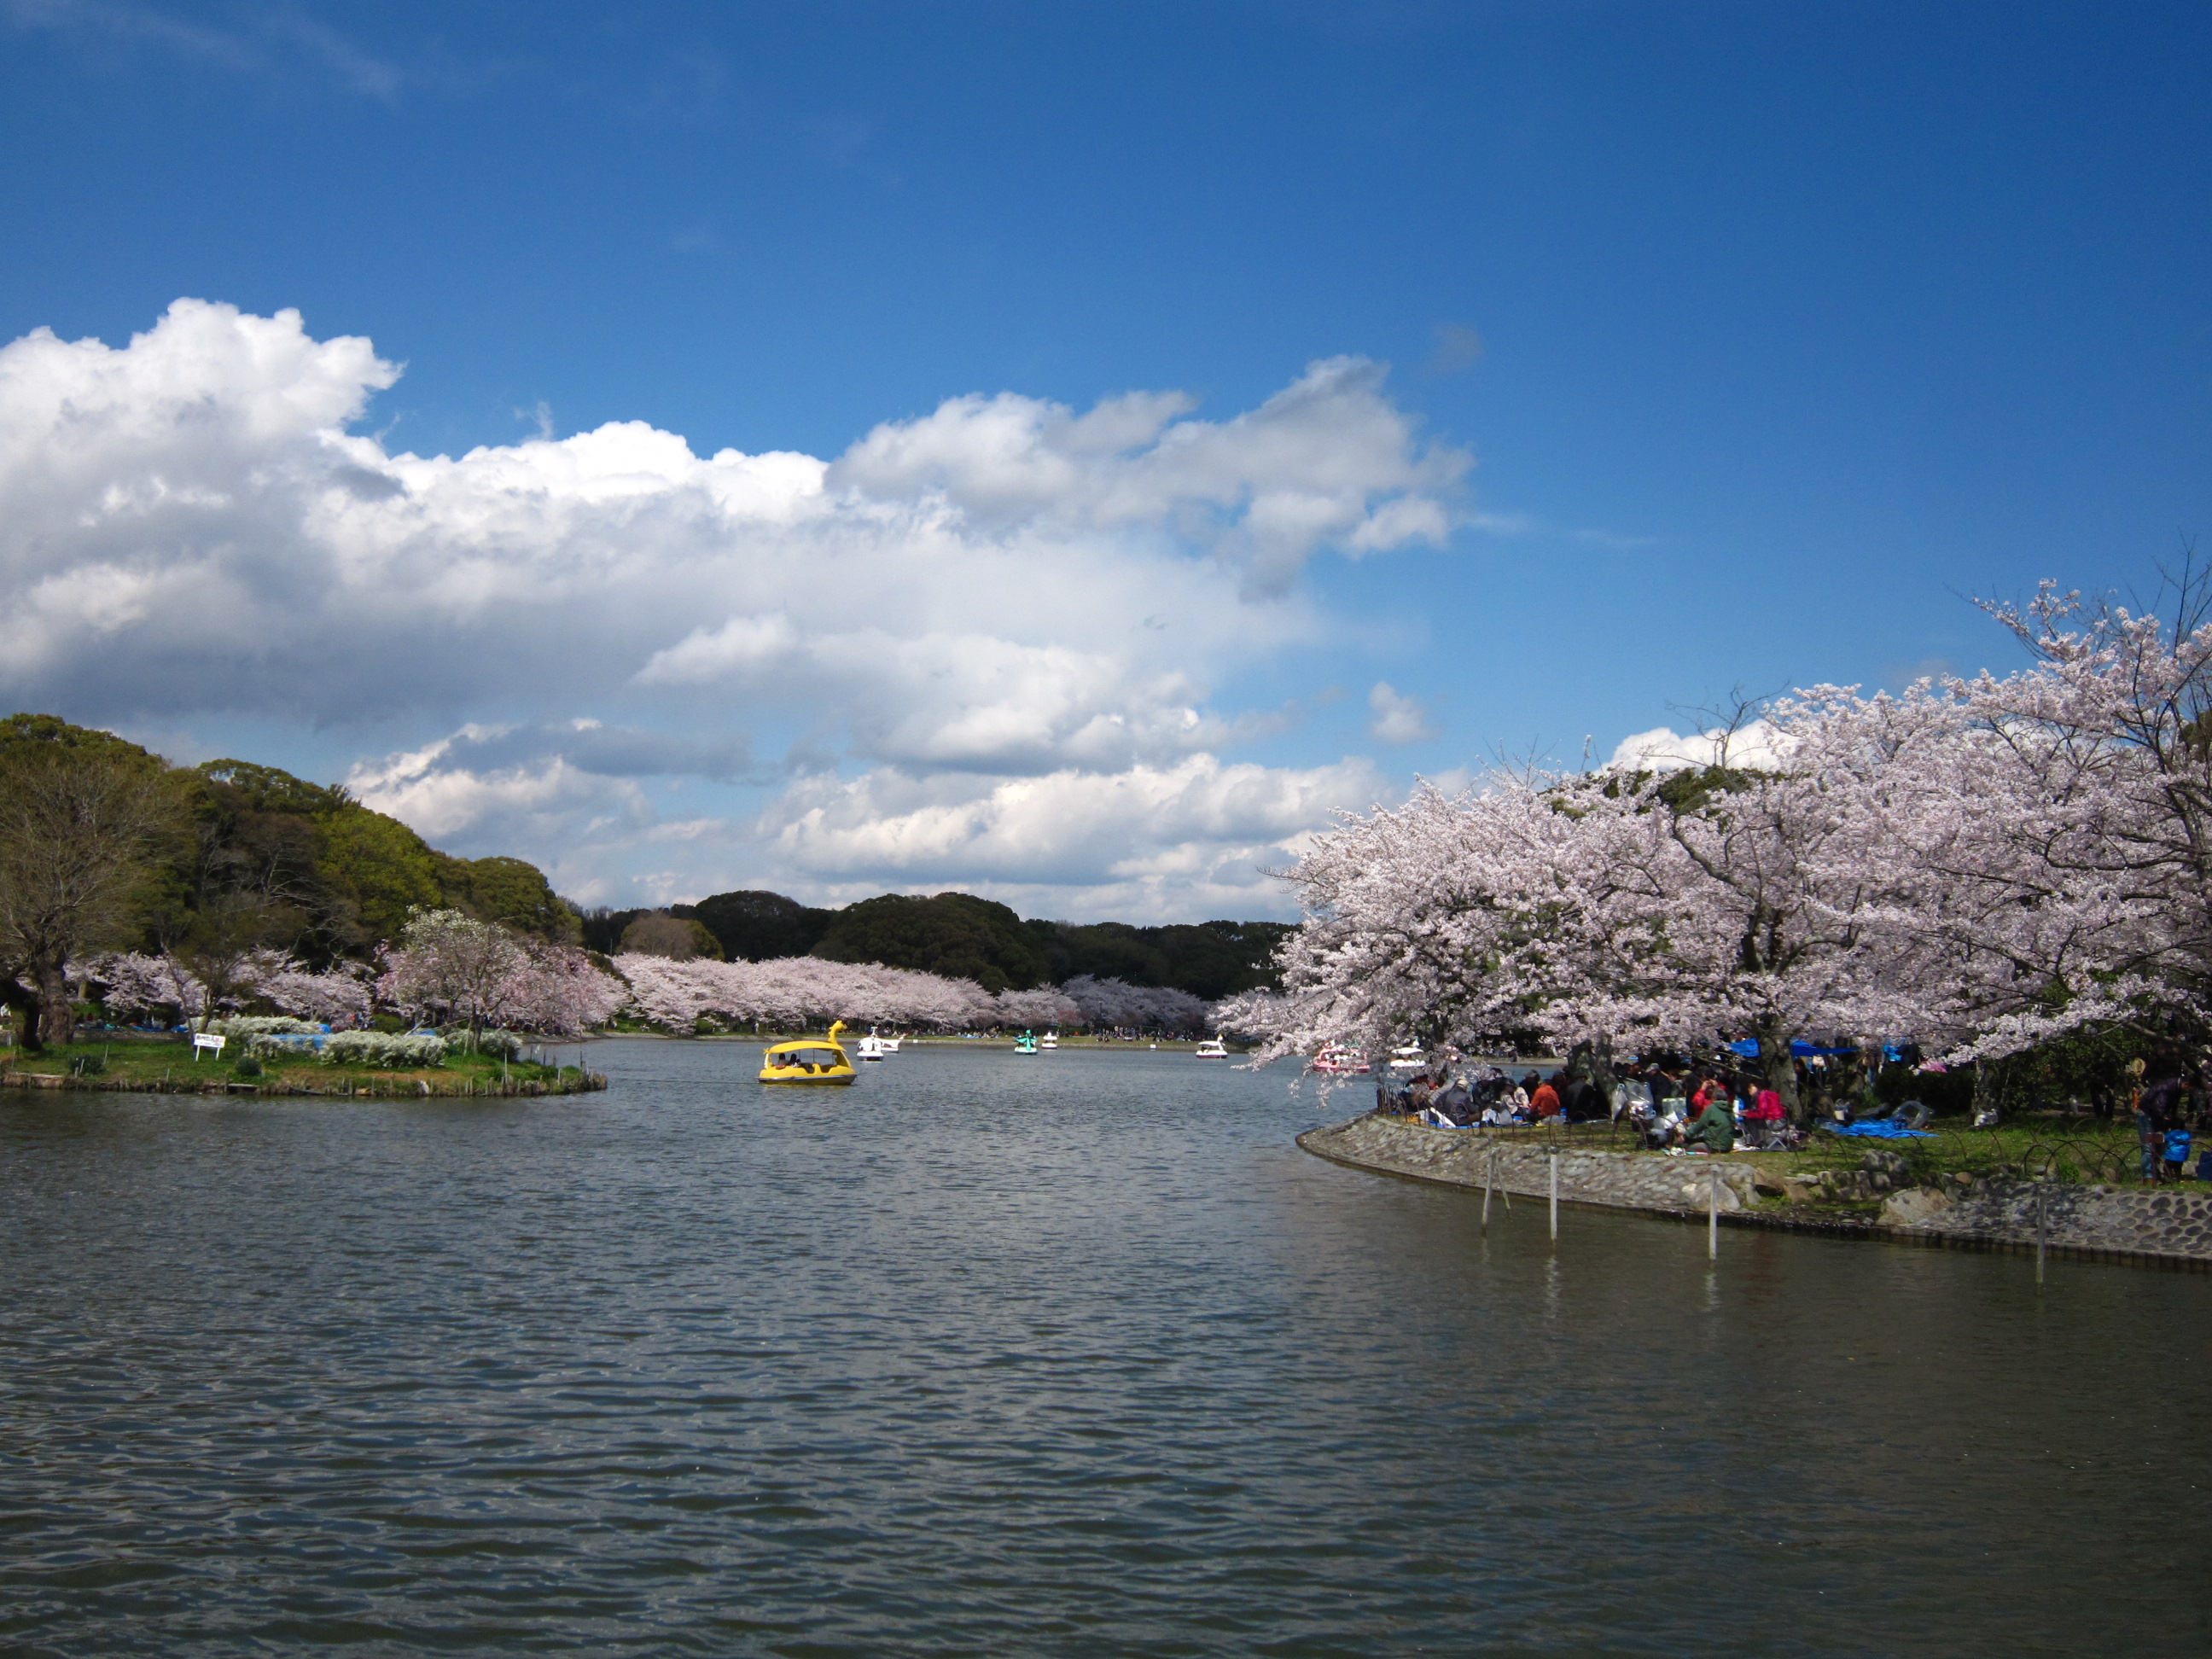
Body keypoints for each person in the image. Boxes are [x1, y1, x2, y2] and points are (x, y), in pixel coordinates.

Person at [1684, 1091, 1737, 1155]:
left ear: (1714, 1098)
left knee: (1689, 1147)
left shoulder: (1712, 1108)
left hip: (1714, 1146)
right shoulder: (1730, 1110)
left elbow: (1700, 1125)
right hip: (1728, 1147)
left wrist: (1686, 1136)